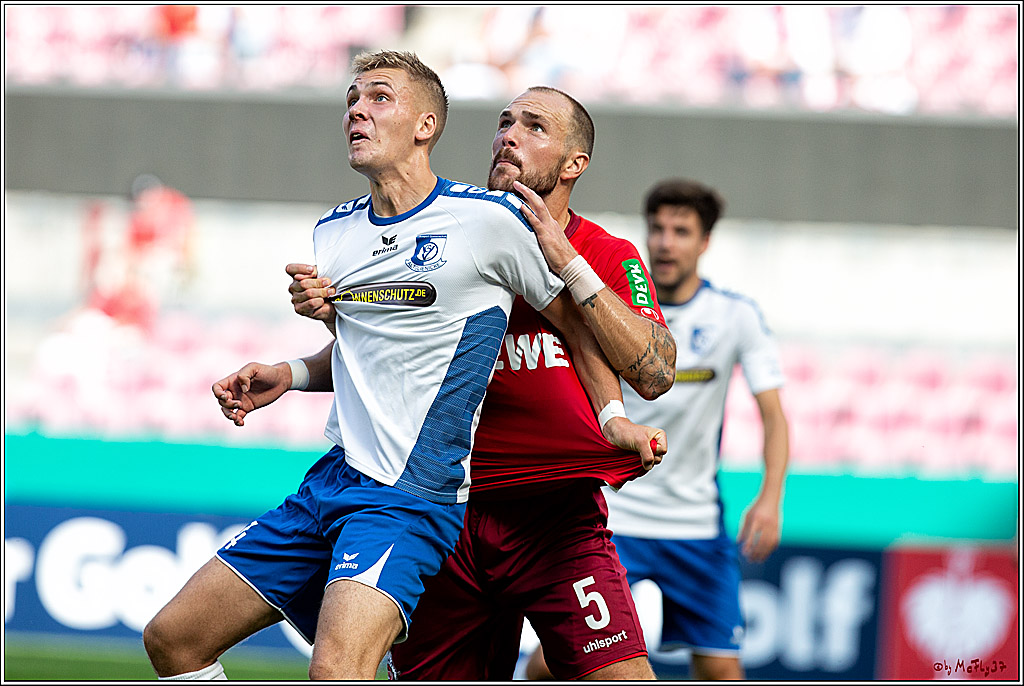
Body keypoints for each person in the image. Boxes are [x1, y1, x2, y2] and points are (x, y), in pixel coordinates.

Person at [142, 50, 659, 681]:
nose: (356, 110)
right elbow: (387, 346)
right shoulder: (335, 232)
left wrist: (612, 419)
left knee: (342, 670)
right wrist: (295, 370)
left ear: (426, 125)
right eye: (503, 122)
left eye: (378, 98)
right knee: (172, 639)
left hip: (476, 504)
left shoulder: (508, 229)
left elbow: (598, 339)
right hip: (357, 485)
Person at [285, 86, 678, 680]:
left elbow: (655, 372)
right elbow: (377, 361)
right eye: (504, 122)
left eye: (534, 127)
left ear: (575, 164)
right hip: (443, 514)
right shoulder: (447, 238)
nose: (509, 135)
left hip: (555, 519)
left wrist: (566, 260)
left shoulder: (608, 252)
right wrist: (292, 372)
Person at [527, 178, 791, 681]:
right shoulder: (610, 310)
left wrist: (771, 496)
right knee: (555, 660)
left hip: (695, 524)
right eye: (657, 229)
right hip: (616, 515)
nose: (666, 242)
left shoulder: (736, 317)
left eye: (681, 231)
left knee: (721, 671)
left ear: (705, 242)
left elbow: (774, 415)